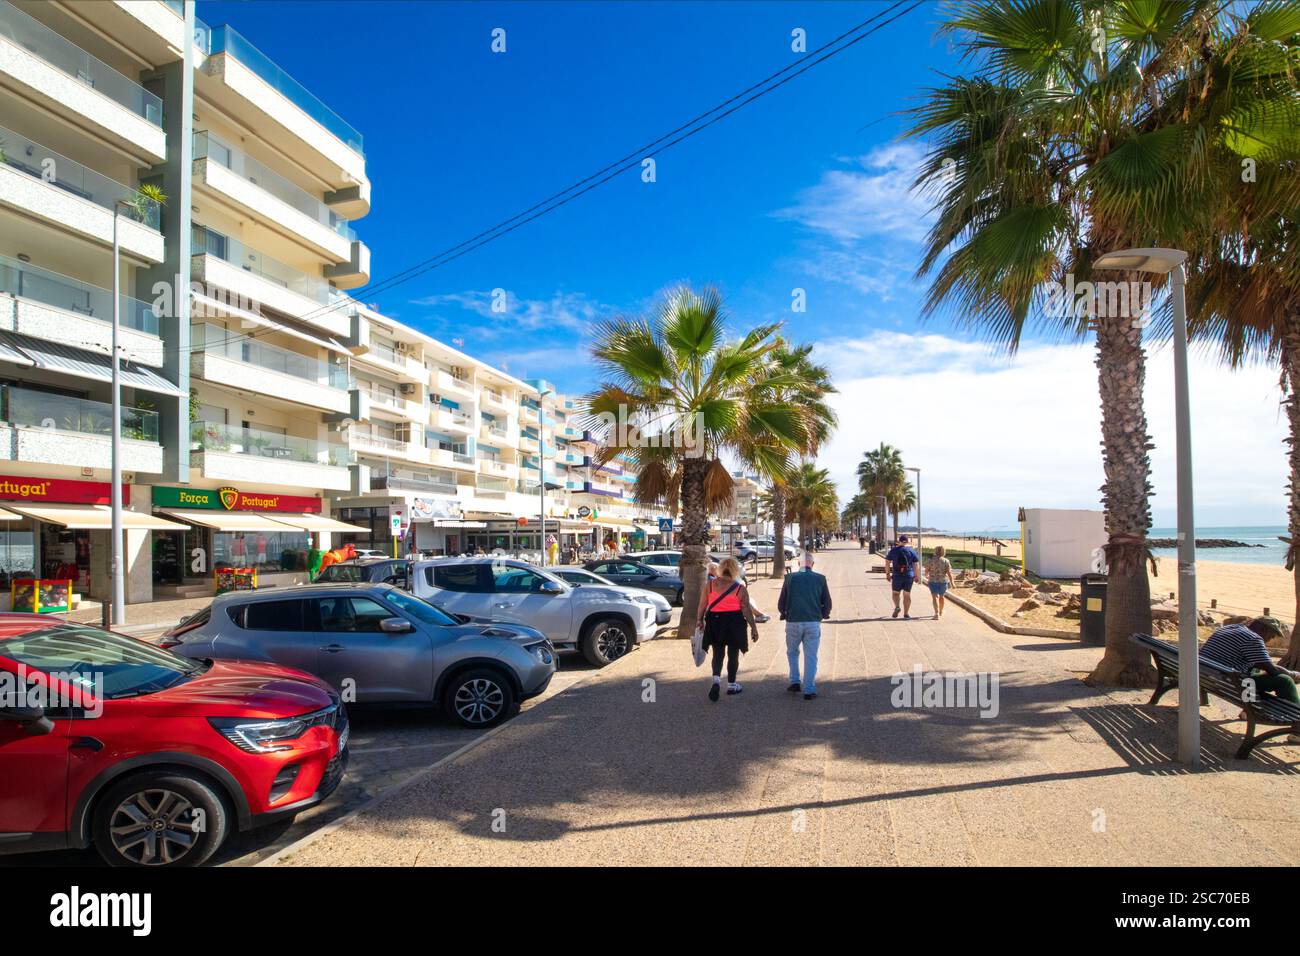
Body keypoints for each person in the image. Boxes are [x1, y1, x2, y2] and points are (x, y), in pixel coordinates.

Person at [696, 556, 760, 701]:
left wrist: (699, 620)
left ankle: (716, 681)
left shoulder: (710, 585)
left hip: (715, 621)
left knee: (718, 653)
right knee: (733, 654)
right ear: (734, 570)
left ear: (721, 569)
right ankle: (731, 684)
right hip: (734, 622)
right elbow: (746, 610)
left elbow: (702, 605)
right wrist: (753, 627)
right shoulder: (740, 589)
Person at [1201, 617, 1300, 704]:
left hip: (1207, 677)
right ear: (1265, 629)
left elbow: (1261, 664)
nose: (1271, 639)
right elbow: (1272, 670)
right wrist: (1293, 675)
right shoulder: (1253, 638)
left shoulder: (1228, 628)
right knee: (1284, 680)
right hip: (1230, 684)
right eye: (1272, 635)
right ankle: (1297, 716)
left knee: (1253, 668)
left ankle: (1247, 710)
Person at [778, 552, 832, 700]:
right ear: (812, 564)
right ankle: (809, 690)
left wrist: (784, 613)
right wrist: (823, 615)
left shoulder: (790, 578)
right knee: (811, 656)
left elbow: (781, 603)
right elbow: (827, 603)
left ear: (799, 564)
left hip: (793, 621)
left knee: (792, 652)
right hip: (812, 622)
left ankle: (795, 681)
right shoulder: (820, 579)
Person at [885, 534, 920, 619]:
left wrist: (888, 574)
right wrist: (916, 576)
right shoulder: (911, 551)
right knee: (907, 594)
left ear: (899, 541)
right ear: (907, 542)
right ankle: (906, 613)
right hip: (909, 575)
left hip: (897, 575)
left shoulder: (893, 550)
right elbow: (916, 564)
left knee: (896, 593)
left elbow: (887, 563)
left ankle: (897, 606)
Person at [922, 545, 955, 619]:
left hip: (933, 581)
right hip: (943, 581)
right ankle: (941, 611)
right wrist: (952, 582)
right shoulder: (946, 561)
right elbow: (949, 573)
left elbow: (926, 570)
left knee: (934, 597)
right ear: (943, 552)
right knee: (941, 596)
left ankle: (936, 613)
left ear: (935, 551)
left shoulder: (930, 560)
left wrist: (926, 575)